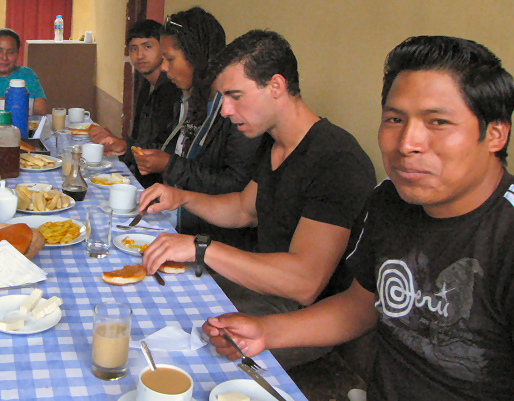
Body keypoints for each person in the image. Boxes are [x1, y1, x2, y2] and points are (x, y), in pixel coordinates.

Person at [202, 36, 514, 400]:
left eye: (438, 122)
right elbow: (360, 306)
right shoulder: (388, 202)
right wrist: (266, 332)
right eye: (395, 119)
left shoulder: (505, 235)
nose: (407, 143)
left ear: (494, 134)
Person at [139, 30, 376, 368]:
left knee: (183, 353)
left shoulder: (336, 158)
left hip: (300, 315)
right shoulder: (273, 141)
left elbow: (305, 282)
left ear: (276, 86)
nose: (225, 111)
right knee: (156, 296)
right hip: (261, 289)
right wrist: (181, 197)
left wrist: (201, 247)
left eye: (234, 96)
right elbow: (242, 208)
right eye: (223, 98)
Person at [127, 8, 262, 250]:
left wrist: (169, 164)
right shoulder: (189, 100)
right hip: (178, 221)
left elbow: (235, 187)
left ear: (195, 56)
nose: (165, 68)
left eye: (170, 59)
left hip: (212, 241)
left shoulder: (235, 113)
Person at [88, 19, 181, 188]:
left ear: (163, 49)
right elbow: (140, 137)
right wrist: (121, 144)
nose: (139, 55)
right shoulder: (145, 85)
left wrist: (125, 145)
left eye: (147, 47)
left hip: (161, 184)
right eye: (134, 49)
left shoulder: (174, 89)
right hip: (139, 174)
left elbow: (166, 145)